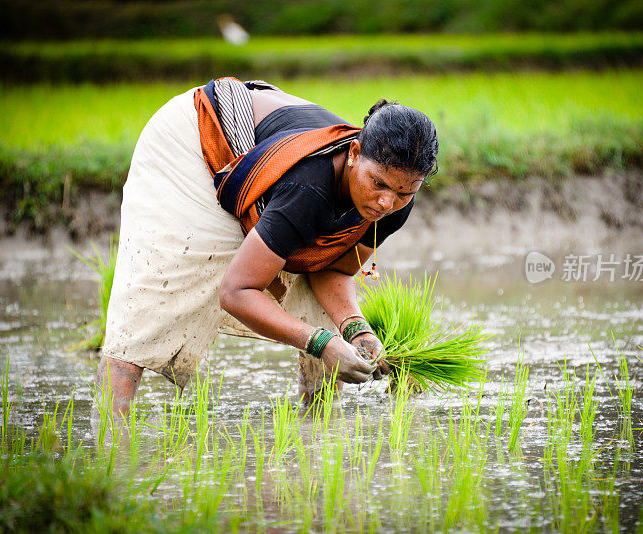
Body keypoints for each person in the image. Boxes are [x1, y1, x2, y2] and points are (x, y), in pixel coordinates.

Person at [96, 77, 438, 417]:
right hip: (195, 138)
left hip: (269, 159)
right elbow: (236, 291)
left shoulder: (393, 202)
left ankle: (317, 429)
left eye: (404, 192)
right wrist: (320, 344)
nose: (385, 202)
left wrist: (355, 330)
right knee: (165, 281)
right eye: (377, 183)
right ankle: (112, 431)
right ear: (354, 153)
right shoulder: (309, 189)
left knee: (319, 308)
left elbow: (333, 267)